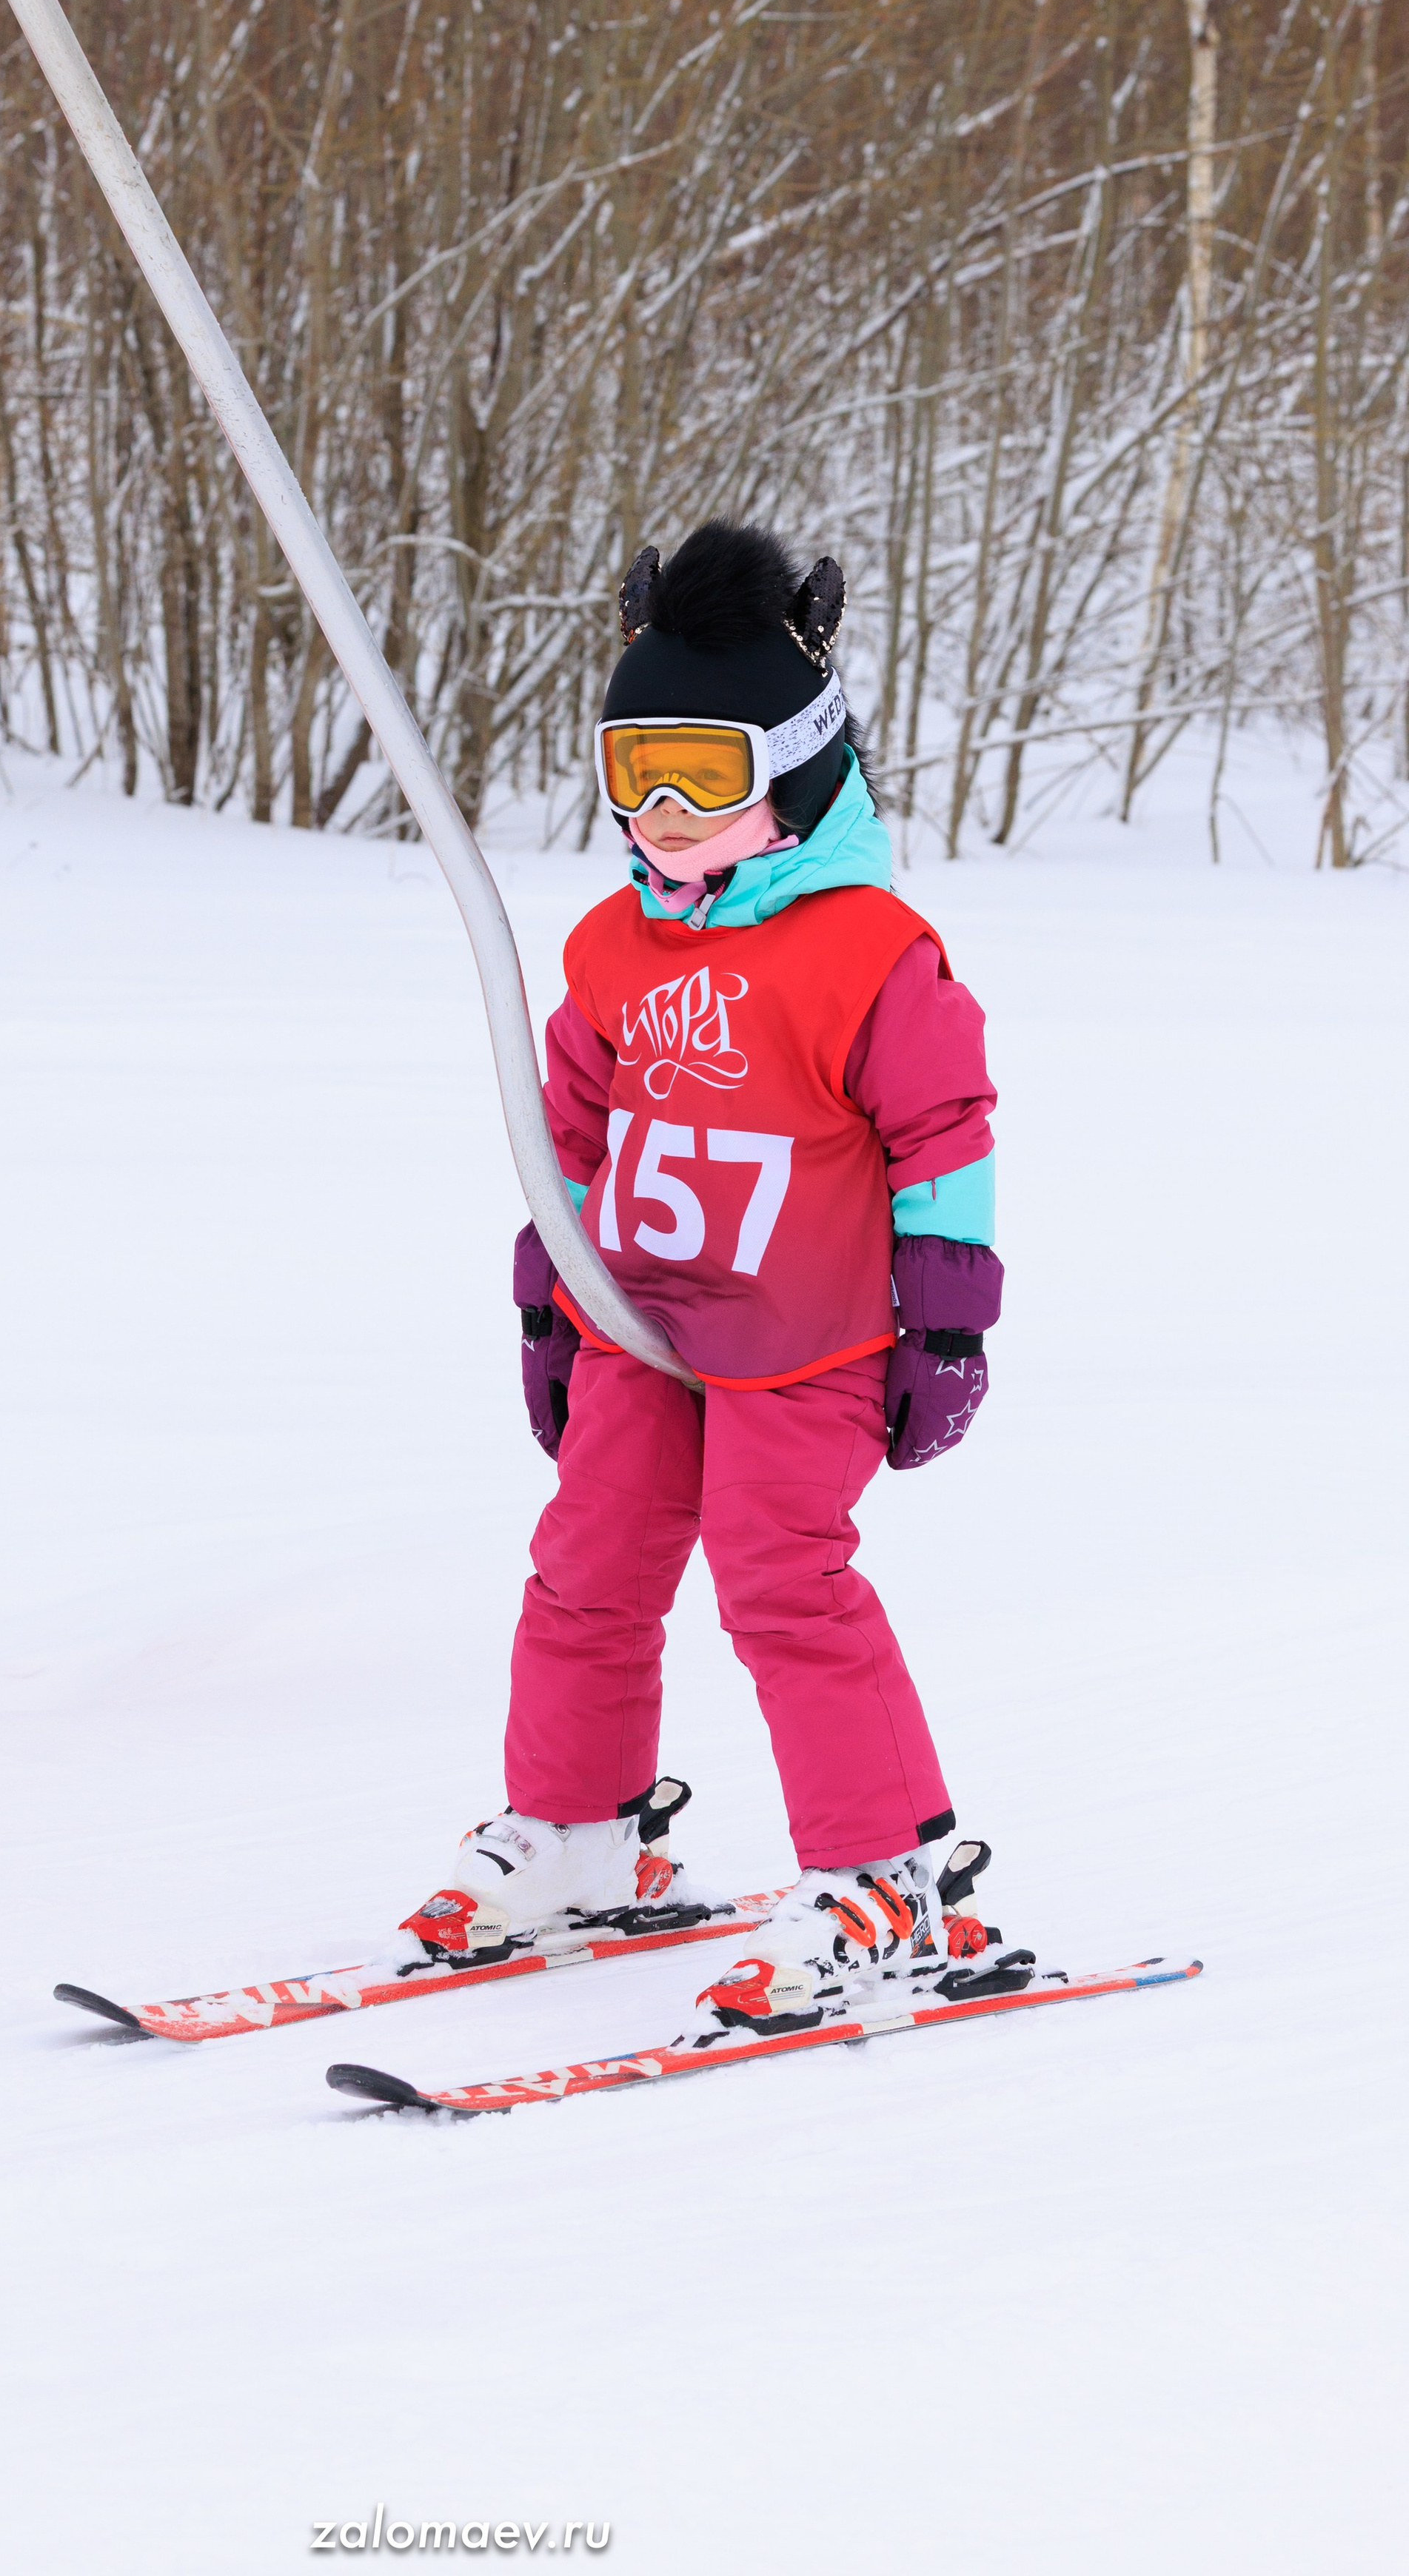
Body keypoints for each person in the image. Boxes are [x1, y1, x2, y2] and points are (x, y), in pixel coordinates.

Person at [399, 520, 1017, 2035]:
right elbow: (565, 1134)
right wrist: (550, 1300)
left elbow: (943, 1133)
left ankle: (882, 1871)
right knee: (587, 1564)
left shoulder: (870, 952)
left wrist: (943, 1325)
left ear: (794, 768)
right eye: (635, 772)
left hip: (804, 1337)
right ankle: (578, 1828)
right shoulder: (613, 948)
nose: (661, 811)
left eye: (700, 772)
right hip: (639, 1324)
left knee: (781, 1580)